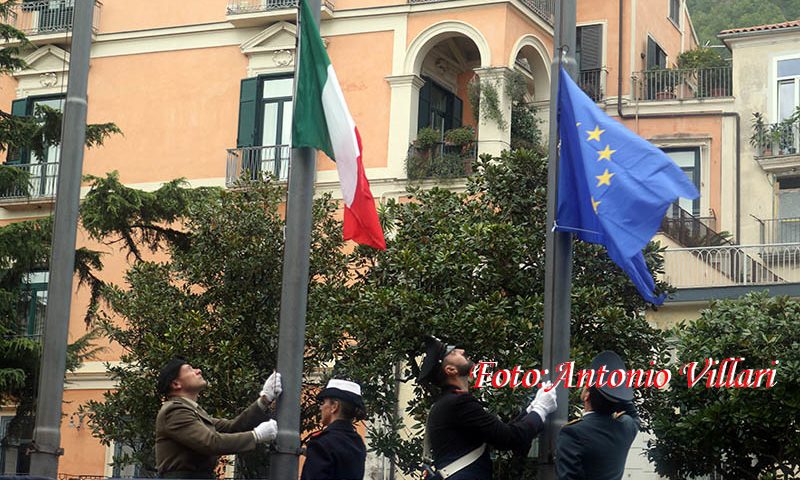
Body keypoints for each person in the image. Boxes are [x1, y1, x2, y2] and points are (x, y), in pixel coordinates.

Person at [419, 336, 557, 479]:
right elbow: (509, 438)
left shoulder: (447, 403)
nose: (461, 351)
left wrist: (531, 410)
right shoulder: (459, 402)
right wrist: (541, 409)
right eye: (453, 353)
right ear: (451, 370)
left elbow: (498, 432)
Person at [155, 358, 282, 479]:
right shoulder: (175, 411)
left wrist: (264, 399)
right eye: (190, 369)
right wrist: (255, 436)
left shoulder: (192, 411)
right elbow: (211, 443)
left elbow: (233, 427)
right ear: (176, 384)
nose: (198, 370)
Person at [556, 350, 641, 480]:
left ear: (586, 395)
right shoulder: (626, 427)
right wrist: (617, 392)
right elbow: (633, 414)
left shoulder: (572, 433)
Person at [301, 379, 367, 480]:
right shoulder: (358, 442)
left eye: (323, 403)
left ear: (334, 406)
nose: (320, 408)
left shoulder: (322, 444)